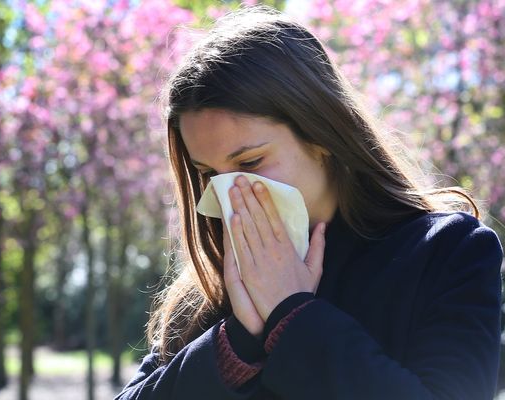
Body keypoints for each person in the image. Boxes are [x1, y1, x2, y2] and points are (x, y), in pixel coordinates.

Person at [115, 6, 504, 400]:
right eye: (208, 173)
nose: (229, 192)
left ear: (321, 136)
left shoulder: (447, 253)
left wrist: (291, 315)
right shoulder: (213, 284)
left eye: (250, 162)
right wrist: (235, 343)